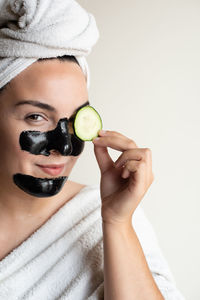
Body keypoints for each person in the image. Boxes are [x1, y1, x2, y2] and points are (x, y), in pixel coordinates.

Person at [0, 0, 185, 299]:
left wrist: (116, 222)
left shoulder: (103, 217)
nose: (63, 147)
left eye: (75, 120)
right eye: (36, 117)